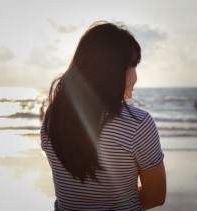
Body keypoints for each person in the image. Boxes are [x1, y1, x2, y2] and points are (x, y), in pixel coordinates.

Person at [40, 21, 166, 210]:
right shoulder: (137, 124)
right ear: (110, 70)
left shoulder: (52, 120)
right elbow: (156, 196)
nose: (135, 76)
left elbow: (73, 189)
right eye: (131, 65)